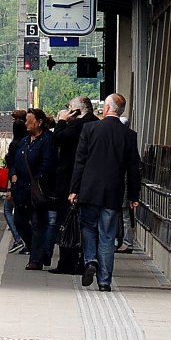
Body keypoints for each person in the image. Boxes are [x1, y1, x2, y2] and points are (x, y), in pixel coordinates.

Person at [68, 93, 141, 291]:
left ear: (107, 109)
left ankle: (91, 260)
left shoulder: (90, 128)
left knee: (88, 227)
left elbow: (80, 162)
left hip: (89, 190)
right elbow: (134, 168)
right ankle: (104, 282)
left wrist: (74, 189)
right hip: (113, 193)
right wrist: (134, 196)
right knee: (108, 236)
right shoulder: (129, 135)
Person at [49, 96, 98, 274]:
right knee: (87, 225)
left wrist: (61, 121)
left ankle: (67, 263)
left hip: (70, 182)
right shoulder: (96, 123)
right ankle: (85, 261)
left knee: (67, 222)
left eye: (69, 108)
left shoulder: (78, 125)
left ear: (76, 111)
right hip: (89, 183)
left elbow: (58, 139)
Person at [10, 107, 57, 268]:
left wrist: (39, 180)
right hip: (22, 189)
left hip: (38, 190)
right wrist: (13, 174)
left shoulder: (48, 140)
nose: (26, 124)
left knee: (38, 224)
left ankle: (35, 260)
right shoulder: (24, 140)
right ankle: (40, 250)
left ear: (39, 122)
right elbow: (14, 161)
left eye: (29, 121)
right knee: (19, 221)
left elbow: (48, 163)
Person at [3, 110, 28, 254]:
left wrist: (9, 188)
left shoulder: (14, 145)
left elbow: (12, 167)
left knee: (8, 210)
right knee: (24, 214)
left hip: (15, 184)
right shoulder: (28, 143)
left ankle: (18, 239)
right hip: (26, 184)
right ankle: (26, 243)